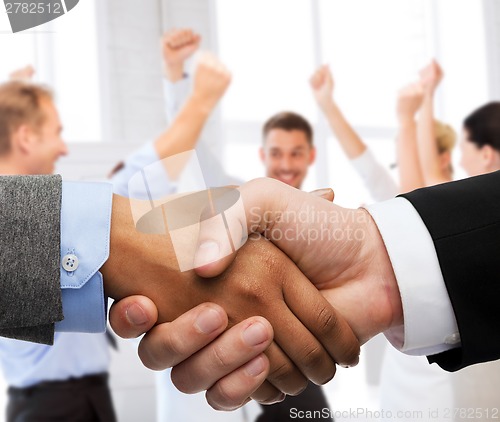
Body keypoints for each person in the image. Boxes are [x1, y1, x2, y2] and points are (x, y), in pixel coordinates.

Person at [159, 28, 333, 421]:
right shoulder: (238, 201)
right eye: (276, 152)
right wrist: (176, 77)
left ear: (310, 156)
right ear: (262, 154)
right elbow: (191, 151)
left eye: (295, 153)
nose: (285, 163)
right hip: (250, 373)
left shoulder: (326, 217)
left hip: (303, 377)